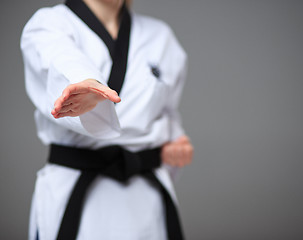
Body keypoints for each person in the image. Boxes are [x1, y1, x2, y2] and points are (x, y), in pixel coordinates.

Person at [21, 0, 193, 239]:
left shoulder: (161, 36)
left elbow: (166, 114)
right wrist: (87, 84)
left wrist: (174, 142)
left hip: (145, 198)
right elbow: (62, 58)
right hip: (78, 193)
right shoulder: (50, 24)